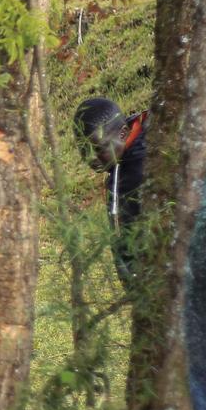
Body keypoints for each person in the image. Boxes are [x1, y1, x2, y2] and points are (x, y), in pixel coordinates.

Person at [74, 96, 148, 284]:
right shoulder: (143, 134)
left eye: (98, 149)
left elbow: (125, 245)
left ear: (123, 134)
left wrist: (134, 288)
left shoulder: (130, 178)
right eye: (84, 150)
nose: (91, 158)